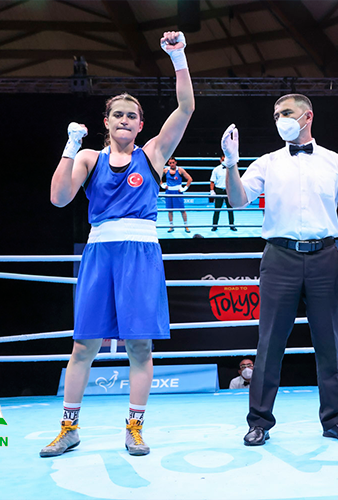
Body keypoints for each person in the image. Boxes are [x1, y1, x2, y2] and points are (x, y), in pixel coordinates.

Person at [42, 31, 194, 458]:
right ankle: (69, 428)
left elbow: (186, 108)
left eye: (132, 115)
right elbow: (59, 198)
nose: (124, 120)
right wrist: (70, 146)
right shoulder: (88, 158)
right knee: (83, 345)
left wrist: (178, 57)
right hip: (100, 253)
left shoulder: (154, 155)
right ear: (106, 122)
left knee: (139, 346)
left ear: (140, 125)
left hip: (141, 254)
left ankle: (135, 429)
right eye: (117, 115)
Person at [222, 93, 338, 446]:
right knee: (269, 342)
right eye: (275, 115)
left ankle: (333, 420)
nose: (280, 119)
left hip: (324, 256)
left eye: (286, 112)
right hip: (279, 257)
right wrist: (231, 164)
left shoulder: (336, 162)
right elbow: (237, 200)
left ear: (307, 116)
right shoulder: (267, 162)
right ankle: (259, 422)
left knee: (328, 342)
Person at [161, 157, 192, 233]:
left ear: (176, 162)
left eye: (173, 162)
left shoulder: (180, 170)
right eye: (170, 163)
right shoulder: (166, 170)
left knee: (182, 210)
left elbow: (190, 179)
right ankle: (171, 226)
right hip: (169, 192)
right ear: (168, 163)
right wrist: (162, 185)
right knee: (170, 210)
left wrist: (184, 188)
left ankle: (186, 226)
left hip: (178, 192)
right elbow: (157, 176)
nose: (172, 164)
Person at [210, 155, 237, 231]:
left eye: (225, 159)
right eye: (223, 159)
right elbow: (212, 181)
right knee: (217, 209)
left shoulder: (232, 169)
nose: (224, 161)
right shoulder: (216, 169)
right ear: (220, 160)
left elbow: (235, 180)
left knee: (230, 209)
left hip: (229, 190)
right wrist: (212, 190)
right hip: (219, 190)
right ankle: (214, 226)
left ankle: (232, 225)